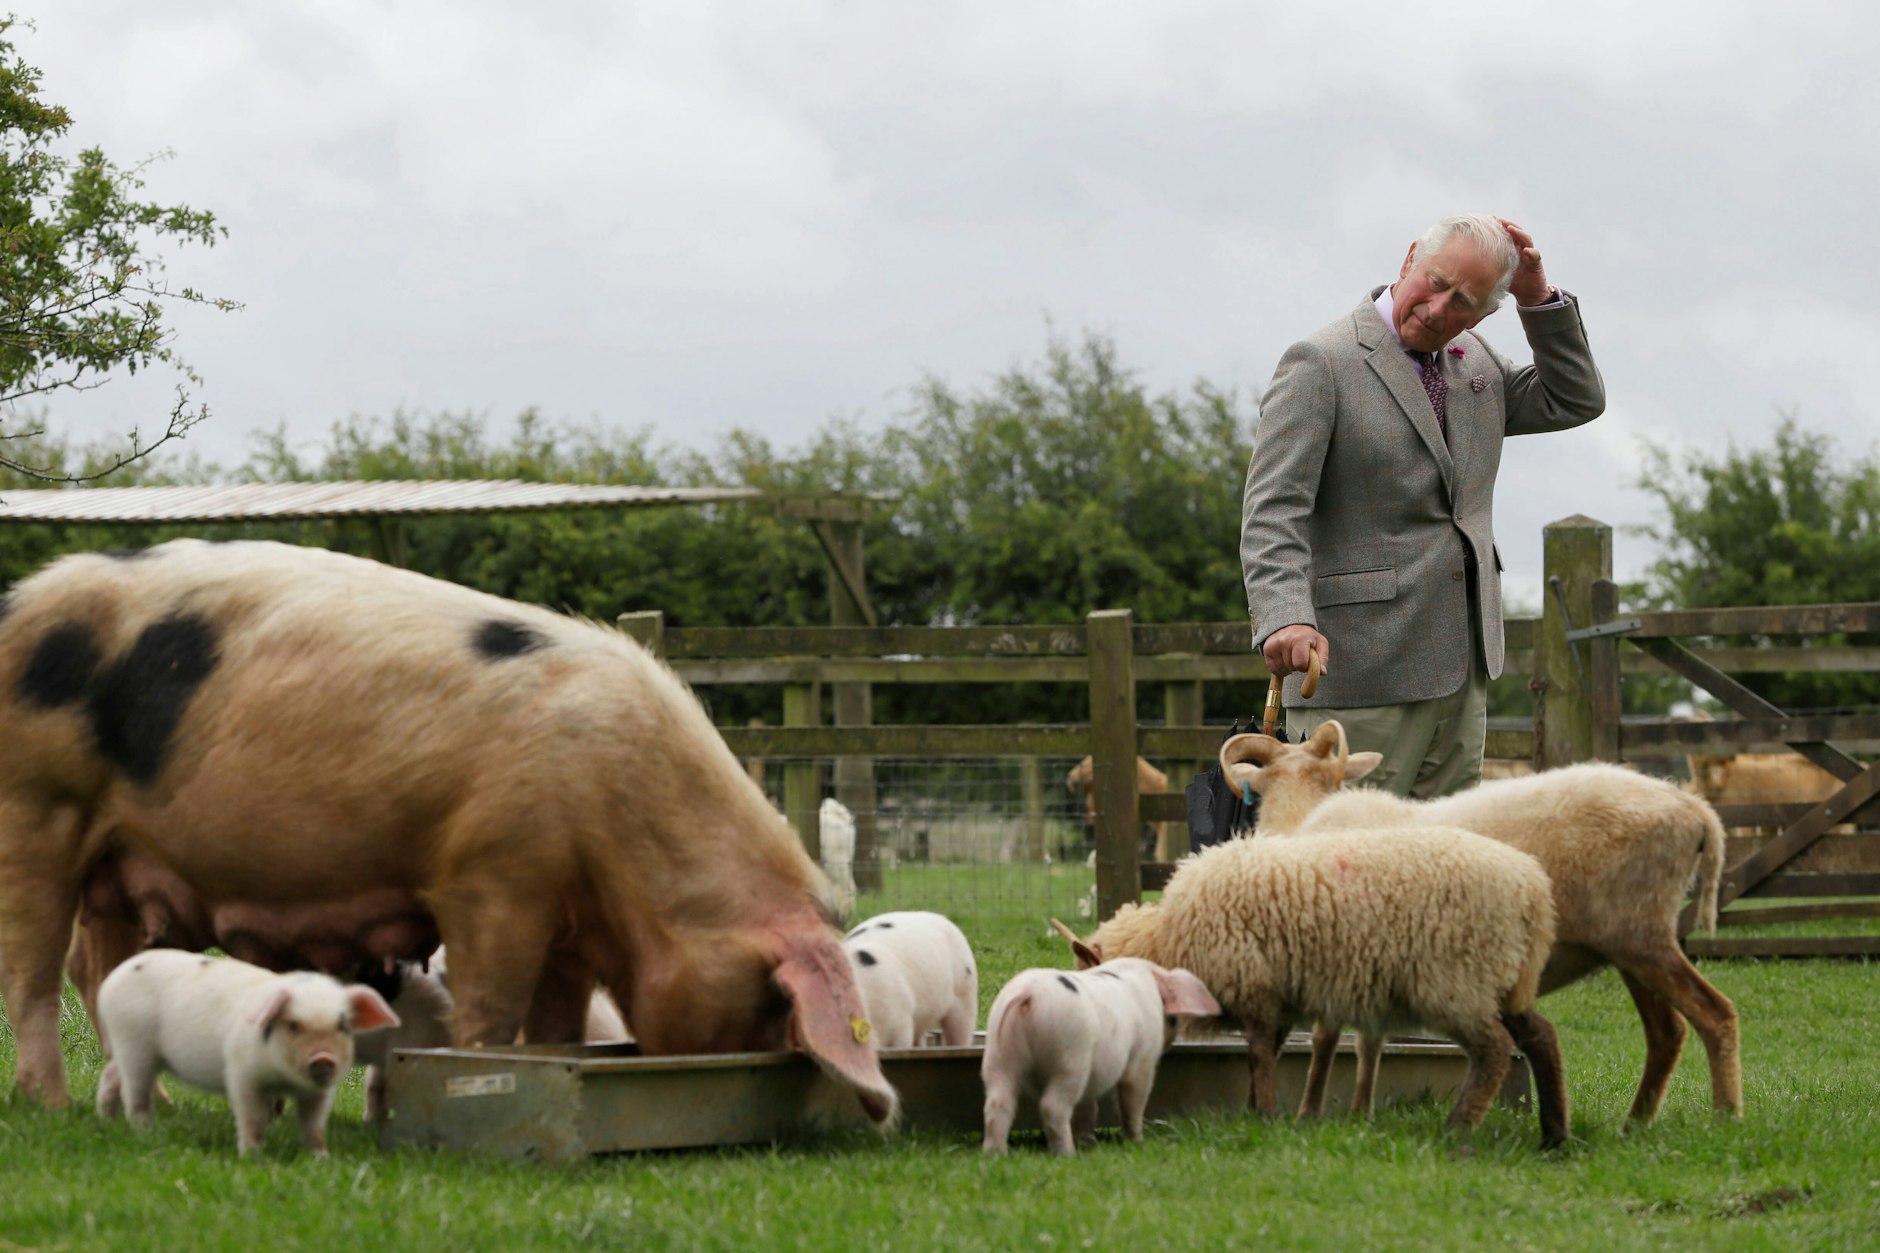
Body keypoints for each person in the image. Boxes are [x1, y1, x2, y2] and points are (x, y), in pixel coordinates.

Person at [1240, 214, 1605, 797]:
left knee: (1439, 871)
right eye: (1435, 282)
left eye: (1464, 301)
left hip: (1462, 674)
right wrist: (1284, 614)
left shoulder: (1477, 362)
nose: (1439, 310)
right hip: (1358, 672)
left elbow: (1574, 398)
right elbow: (1273, 507)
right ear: (1410, 258)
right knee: (1347, 870)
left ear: (1487, 313)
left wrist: (1538, 299)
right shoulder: (1320, 361)